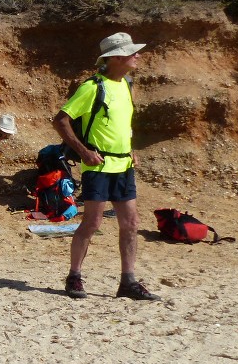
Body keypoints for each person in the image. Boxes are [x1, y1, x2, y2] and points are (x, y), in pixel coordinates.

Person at [53, 32, 160, 301]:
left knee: (131, 222)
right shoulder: (92, 87)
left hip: (123, 165)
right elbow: (61, 120)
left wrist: (131, 149)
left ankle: (128, 281)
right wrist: (84, 152)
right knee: (92, 222)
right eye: (132, 52)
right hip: (99, 166)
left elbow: (123, 124)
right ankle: (74, 276)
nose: (138, 55)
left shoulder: (127, 84)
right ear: (115, 57)